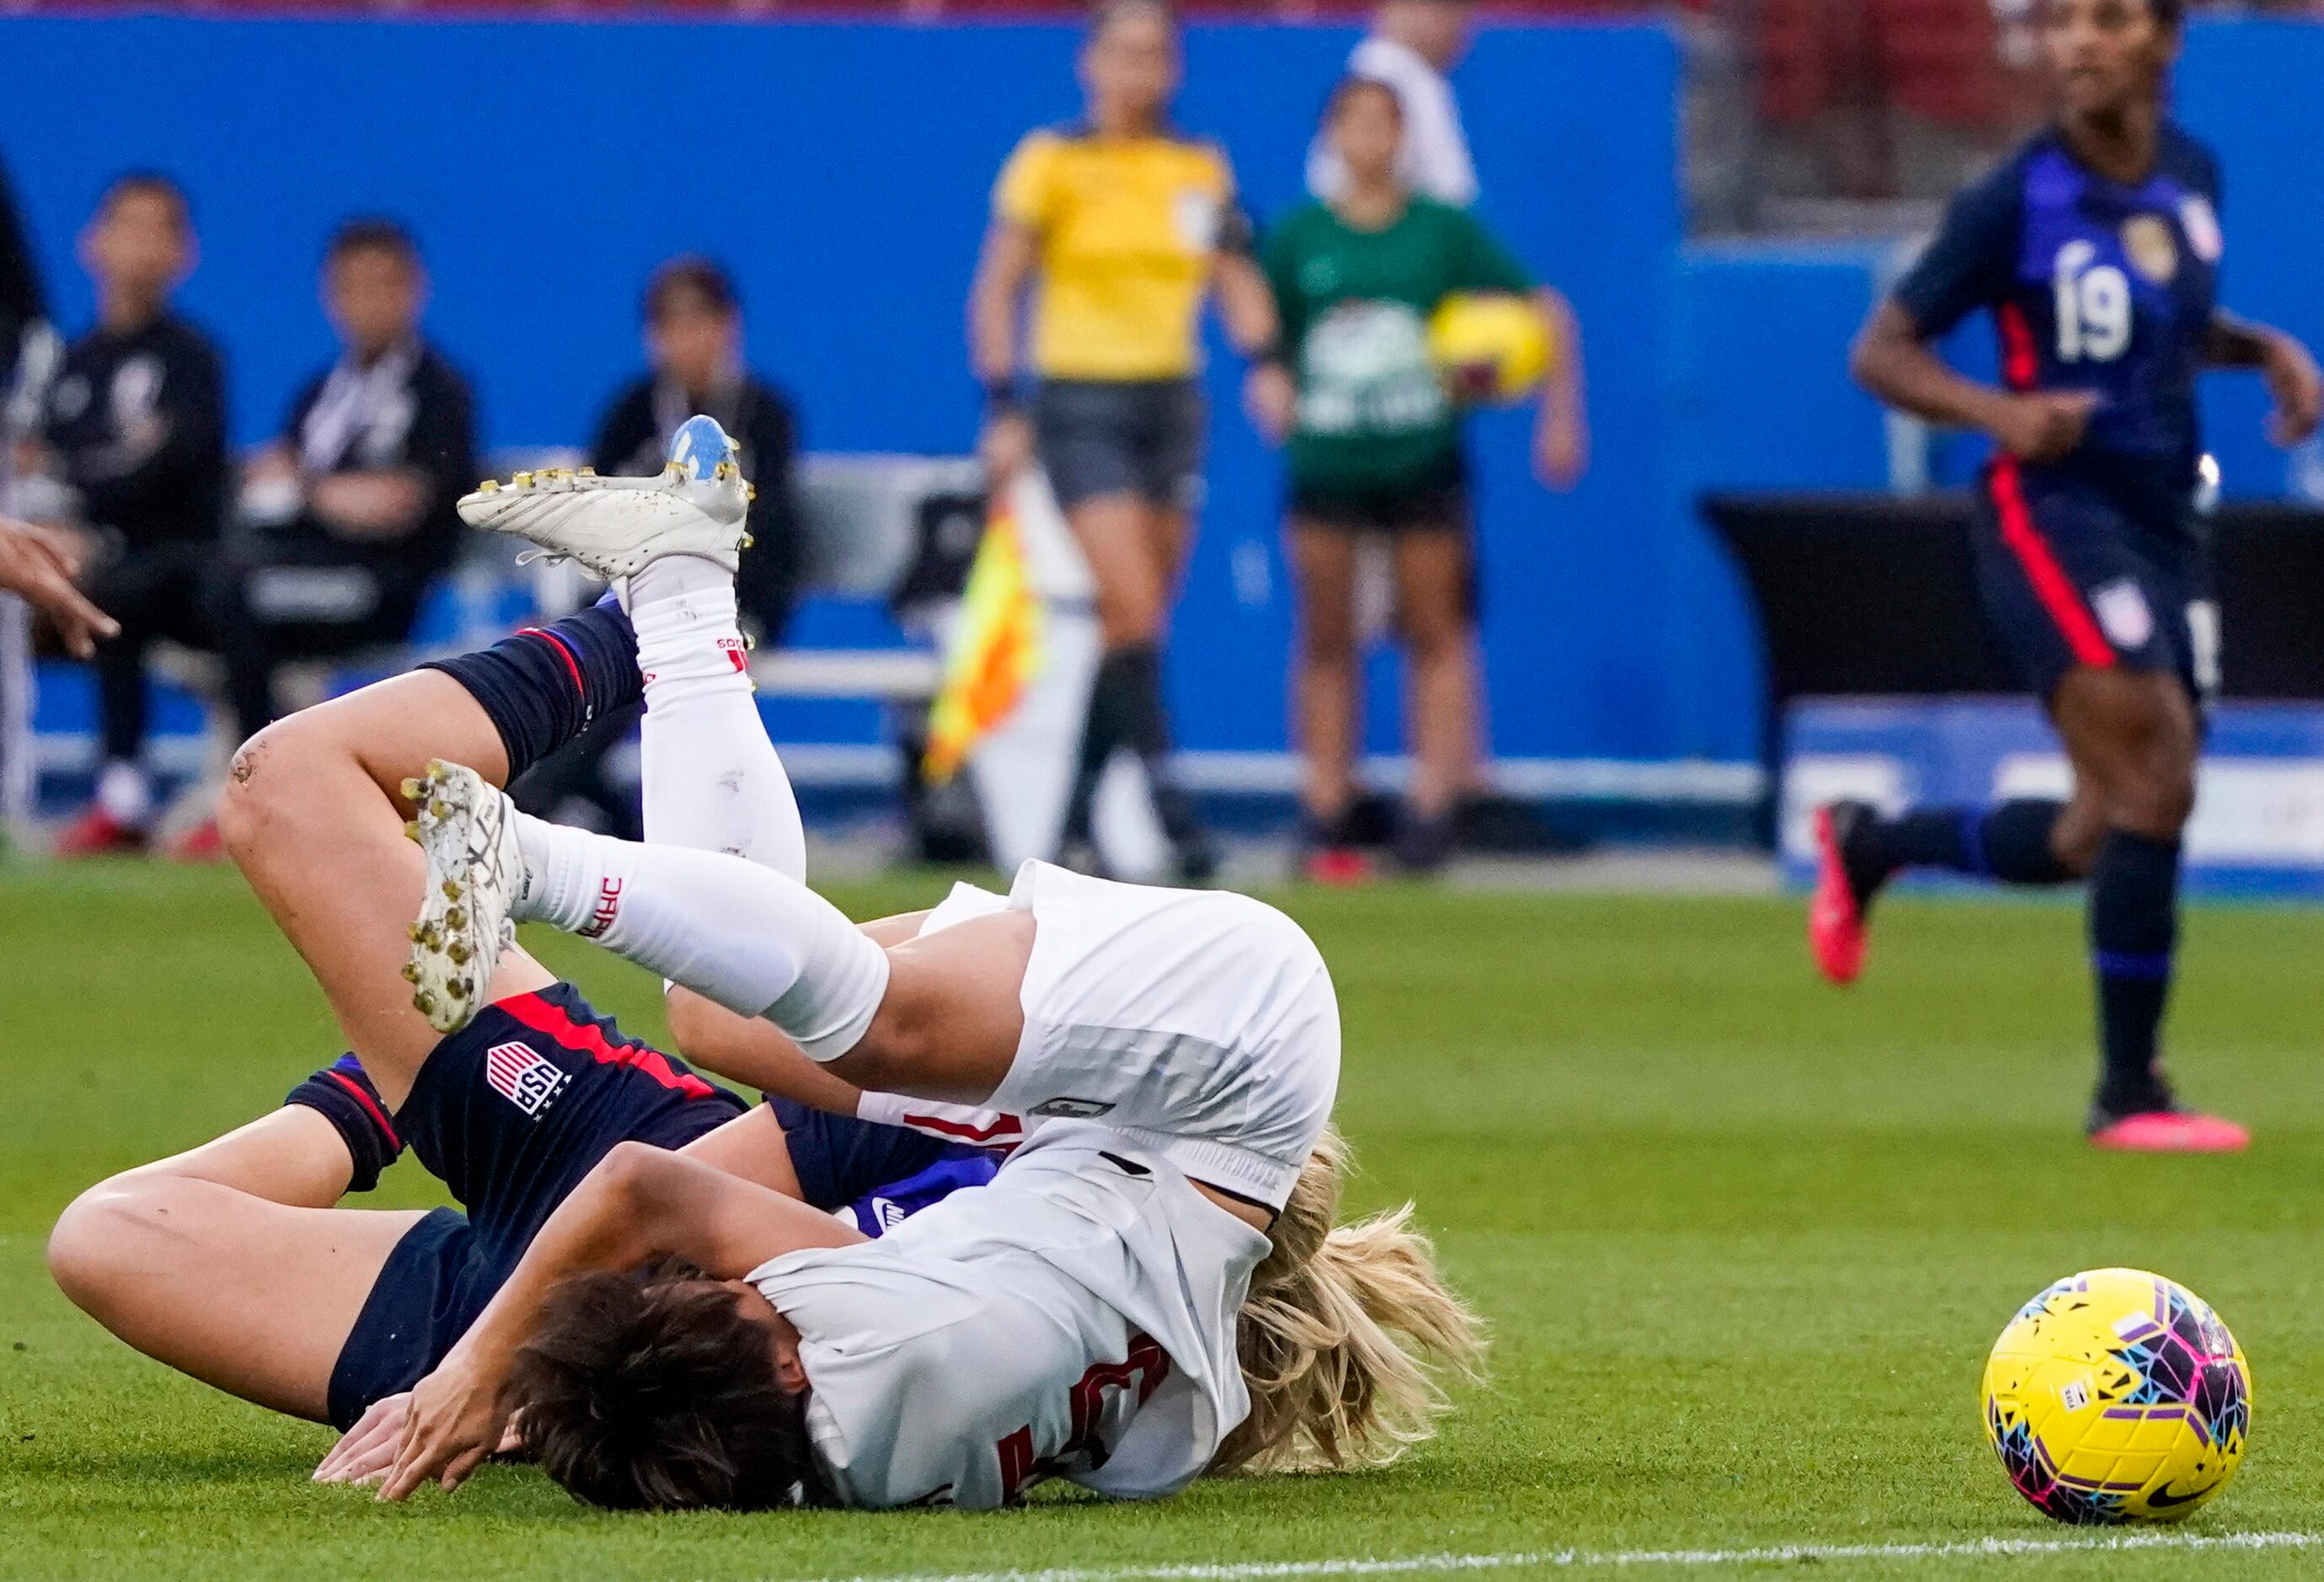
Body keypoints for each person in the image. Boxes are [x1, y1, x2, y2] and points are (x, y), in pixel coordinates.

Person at [373, 420, 1479, 1509]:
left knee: (720, 1015)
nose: (740, 1285)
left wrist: (600, 1411)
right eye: (739, 1303)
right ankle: (524, 860)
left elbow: (732, 1388)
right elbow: (640, 1190)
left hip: (1110, 1134)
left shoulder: (849, 1449)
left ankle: (680, 587)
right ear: (793, 1365)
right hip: (1235, 1053)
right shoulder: (881, 1360)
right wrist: (478, 1368)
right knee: (876, 1021)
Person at [46, 575, 1000, 1464]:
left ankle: (387, 1082)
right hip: (604, 1167)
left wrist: (516, 1380)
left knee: (108, 1238)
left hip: (577, 1360)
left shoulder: (1031, 1310)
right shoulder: (1026, 1113)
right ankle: (640, 623)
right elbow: (650, 1191)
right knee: (286, 784)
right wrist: (495, 1359)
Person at [1826, 0, 2322, 1152]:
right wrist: (1997, 410)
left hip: (2164, 517)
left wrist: (2265, 350)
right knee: (2155, 767)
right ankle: (2129, 1095)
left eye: (2105, 18)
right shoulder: (2014, 195)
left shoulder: (2191, 172)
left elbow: (2161, 323)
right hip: (2052, 509)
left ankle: (1869, 843)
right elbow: (1881, 350)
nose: (2078, 42)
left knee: (2102, 827)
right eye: (2058, 22)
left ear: (2164, 39)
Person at [969, 0, 1290, 882]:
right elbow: (997, 290)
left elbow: (1235, 278)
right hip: (1081, 401)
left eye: (1155, 55)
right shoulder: (1052, 163)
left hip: (1172, 404)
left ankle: (1072, 827)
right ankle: (1171, 807)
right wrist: (1004, 403)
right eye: (1123, 53)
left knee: (1130, 628)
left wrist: (1265, 361)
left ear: (1173, 68)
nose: (1138, 71)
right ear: (1090, 63)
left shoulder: (1196, 168)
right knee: (1136, 607)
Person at [1263, 77, 1587, 879]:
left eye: (1385, 125)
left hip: (1421, 458)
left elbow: (1546, 309)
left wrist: (1556, 414)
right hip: (1329, 458)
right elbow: (1264, 335)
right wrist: (1266, 379)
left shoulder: (1441, 233)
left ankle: (1433, 808)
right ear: (1330, 137)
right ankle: (1329, 804)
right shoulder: (1301, 236)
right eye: (1354, 125)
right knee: (1327, 635)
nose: (1370, 141)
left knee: (1435, 631)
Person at [201, 217, 479, 852]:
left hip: (379, 585)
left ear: (415, 290)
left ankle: (272, 791)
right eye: (351, 287)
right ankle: (255, 777)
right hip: (300, 570)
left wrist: (308, 490)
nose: (367, 303)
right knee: (201, 585)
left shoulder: (439, 392)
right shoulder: (322, 394)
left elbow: (401, 502)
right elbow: (282, 477)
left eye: (383, 285)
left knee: (232, 597)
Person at [511, 257, 803, 840]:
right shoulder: (633, 410)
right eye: (671, 326)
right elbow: (592, 509)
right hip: (631, 599)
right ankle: (591, 813)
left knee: (636, 664)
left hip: (733, 604)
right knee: (575, 663)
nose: (687, 340)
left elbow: (773, 528)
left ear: (729, 327)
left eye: (701, 322)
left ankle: (526, 806)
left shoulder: (763, 413)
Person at [29, 174, 228, 856]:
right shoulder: (66, 365)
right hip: (66, 563)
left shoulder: (193, 359)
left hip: (177, 573)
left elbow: (168, 473)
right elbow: (43, 464)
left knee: (125, 586)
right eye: (129, 227)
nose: (142, 246)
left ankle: (125, 792)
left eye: (160, 230)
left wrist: (82, 507)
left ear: (185, 252)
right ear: (93, 243)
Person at [1306, 0, 1481, 208]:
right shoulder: (1386, 75)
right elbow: (1448, 192)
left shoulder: (1417, 76)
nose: (1463, 29)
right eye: (1447, 10)